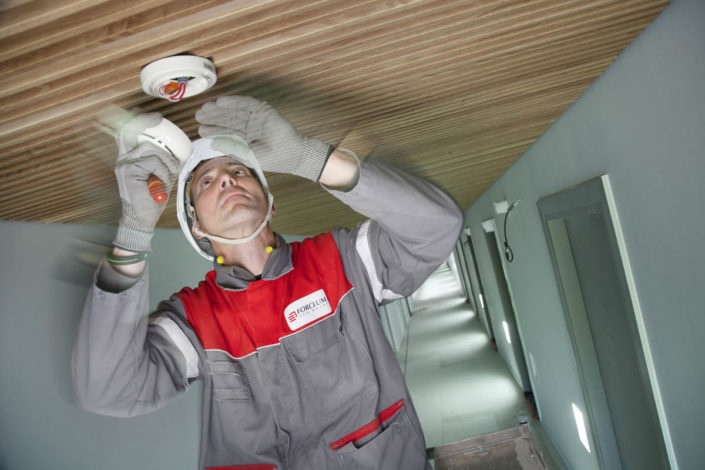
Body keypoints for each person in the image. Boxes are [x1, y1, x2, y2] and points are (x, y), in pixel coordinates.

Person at [72, 96, 462, 470]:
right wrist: (134, 232)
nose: (225, 179)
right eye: (206, 182)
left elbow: (438, 226)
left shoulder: (341, 260)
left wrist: (311, 159)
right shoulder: (195, 320)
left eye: (239, 171)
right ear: (196, 227)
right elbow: (106, 390)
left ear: (270, 202)